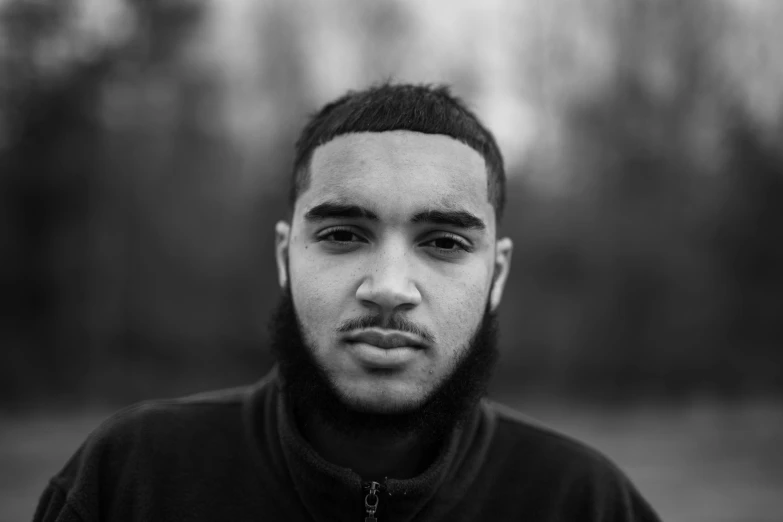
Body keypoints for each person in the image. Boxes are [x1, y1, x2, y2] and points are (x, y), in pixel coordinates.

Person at [34, 83, 660, 521]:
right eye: (342, 235)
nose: (389, 287)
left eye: (443, 242)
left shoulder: (584, 502)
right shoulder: (132, 480)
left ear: (496, 275)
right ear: (285, 258)